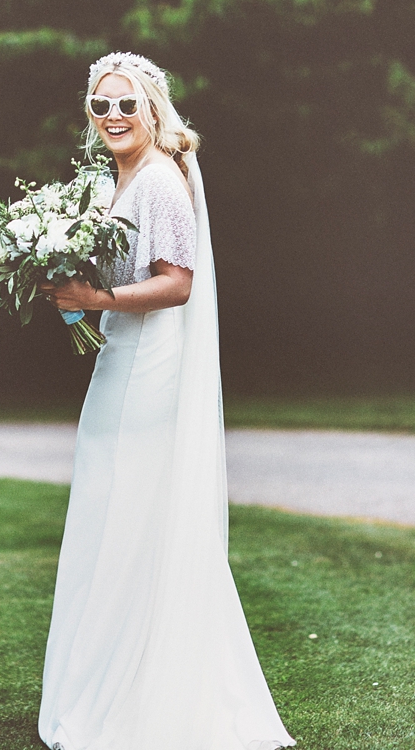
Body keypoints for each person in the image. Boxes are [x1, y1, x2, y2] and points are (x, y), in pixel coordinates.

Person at [37, 52, 295, 750]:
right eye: (101, 105)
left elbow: (177, 283)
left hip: (150, 362)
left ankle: (148, 695)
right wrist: (56, 277)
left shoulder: (160, 182)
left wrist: (94, 299)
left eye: (126, 104)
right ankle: (111, 676)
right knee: (111, 505)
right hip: (120, 354)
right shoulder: (108, 181)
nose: (114, 116)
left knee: (137, 508)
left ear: (153, 110)